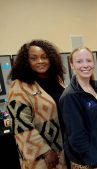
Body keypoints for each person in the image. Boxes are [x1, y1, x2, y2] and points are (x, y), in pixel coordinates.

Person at [7, 39, 66, 169]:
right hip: (41, 157)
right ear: (26, 62)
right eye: (34, 58)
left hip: (63, 148)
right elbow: (20, 124)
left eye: (44, 57)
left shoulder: (57, 80)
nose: (40, 61)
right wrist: (45, 151)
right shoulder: (19, 86)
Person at [59, 47, 97, 169]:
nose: (85, 65)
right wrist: (96, 162)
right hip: (85, 159)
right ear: (71, 65)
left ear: (93, 62)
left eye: (88, 60)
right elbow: (76, 136)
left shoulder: (94, 86)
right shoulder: (71, 96)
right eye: (79, 61)